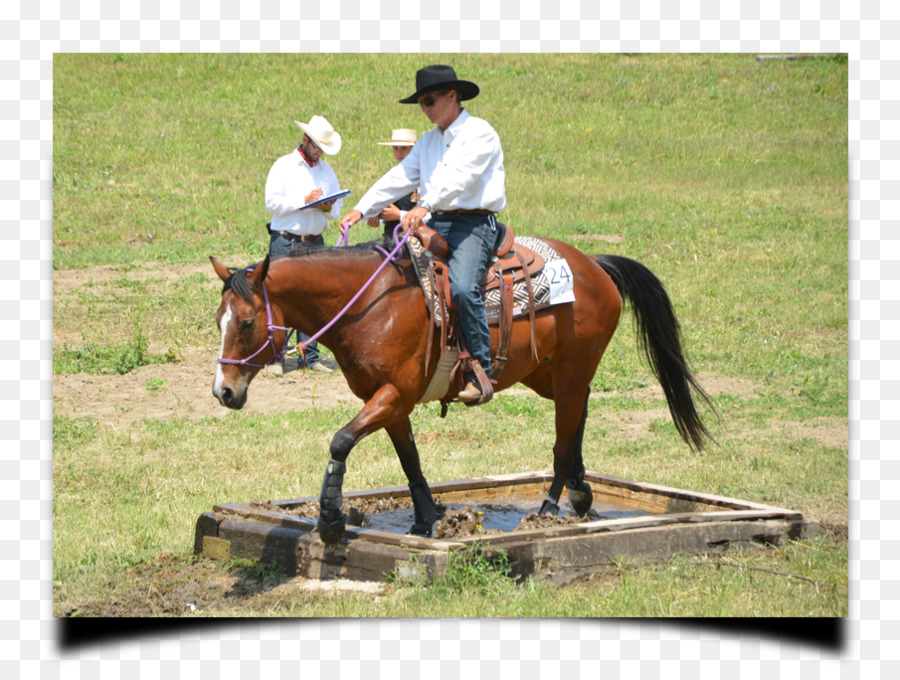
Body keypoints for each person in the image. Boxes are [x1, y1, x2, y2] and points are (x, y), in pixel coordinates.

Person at [340, 65, 506, 403]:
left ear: (452, 96)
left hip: (472, 225)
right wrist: (363, 207)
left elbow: (461, 178)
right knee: (391, 276)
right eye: (420, 103)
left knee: (461, 287)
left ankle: (480, 369)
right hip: (434, 221)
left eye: (429, 100)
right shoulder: (429, 142)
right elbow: (399, 176)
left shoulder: (480, 133)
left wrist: (423, 205)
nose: (425, 108)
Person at [264, 114, 345, 374]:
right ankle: (275, 358)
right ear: (305, 139)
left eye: (323, 147)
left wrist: (328, 207)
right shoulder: (284, 166)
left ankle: (309, 356)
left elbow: (338, 207)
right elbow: (272, 203)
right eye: (317, 146)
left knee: (312, 300)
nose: (320, 152)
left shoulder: (327, 171)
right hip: (285, 240)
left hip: (314, 242)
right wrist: (304, 200)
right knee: (279, 298)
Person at [366, 128, 419, 241]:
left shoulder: (422, 177)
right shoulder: (390, 177)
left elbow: (429, 215)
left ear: (413, 150)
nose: (399, 153)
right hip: (391, 238)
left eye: (404, 148)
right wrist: (378, 218)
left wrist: (399, 215)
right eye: (395, 148)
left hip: (415, 238)